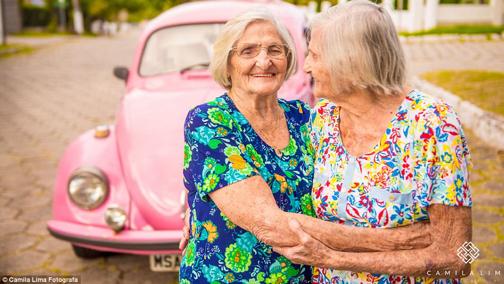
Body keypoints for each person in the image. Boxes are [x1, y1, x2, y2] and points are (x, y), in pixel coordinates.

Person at [179, 7, 433, 284]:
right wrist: (397, 240)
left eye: (275, 50)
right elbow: (269, 224)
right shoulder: (209, 121)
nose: (264, 61)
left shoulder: (305, 117)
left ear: (288, 59)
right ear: (227, 63)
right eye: (248, 51)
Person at [272, 1, 472, 283]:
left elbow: (461, 257)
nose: (306, 67)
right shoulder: (323, 120)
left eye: (315, 55)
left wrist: (334, 258)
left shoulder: (431, 124)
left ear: (351, 60)